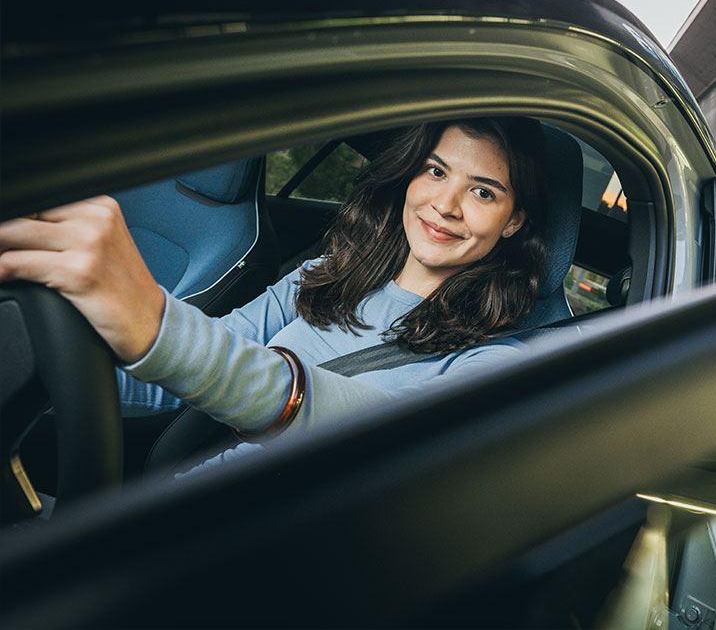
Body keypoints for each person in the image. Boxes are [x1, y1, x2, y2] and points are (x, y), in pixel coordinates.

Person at [0, 118, 549, 449]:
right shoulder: (327, 275)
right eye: (434, 171)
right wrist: (40, 359)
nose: (445, 205)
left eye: (483, 192)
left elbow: (367, 433)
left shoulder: (493, 365)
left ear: (514, 219)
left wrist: (154, 322)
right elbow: (173, 380)